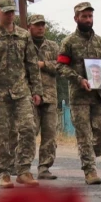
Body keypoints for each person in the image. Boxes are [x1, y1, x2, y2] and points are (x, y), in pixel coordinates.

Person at [0, 0, 43, 188]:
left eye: (12, 12)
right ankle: (4, 172)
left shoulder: (24, 35)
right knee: (3, 134)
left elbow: (32, 64)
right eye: (5, 11)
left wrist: (37, 90)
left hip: (21, 91)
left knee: (28, 128)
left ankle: (23, 170)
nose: (9, 15)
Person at [57, 1, 101, 185]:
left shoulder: (100, 41)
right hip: (79, 96)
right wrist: (78, 79)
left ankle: (91, 154)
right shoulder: (69, 42)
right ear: (76, 19)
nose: (88, 19)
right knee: (84, 135)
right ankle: (90, 171)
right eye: (84, 16)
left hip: (98, 95)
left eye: (90, 16)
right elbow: (60, 66)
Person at [28, 14, 60, 180]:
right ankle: (23, 167)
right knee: (27, 132)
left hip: (50, 96)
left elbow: (61, 66)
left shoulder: (53, 46)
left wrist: (44, 64)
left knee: (49, 134)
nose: (40, 28)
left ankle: (44, 168)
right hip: (30, 96)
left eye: (42, 25)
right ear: (30, 27)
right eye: (37, 25)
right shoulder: (24, 45)